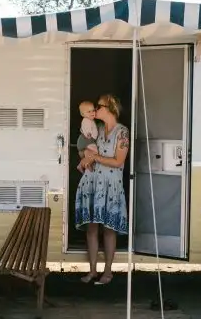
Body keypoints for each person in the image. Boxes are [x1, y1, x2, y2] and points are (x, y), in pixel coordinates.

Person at [75, 94, 130, 285]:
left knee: (108, 229)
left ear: (110, 109)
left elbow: (118, 161)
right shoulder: (96, 129)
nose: (95, 109)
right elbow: (83, 147)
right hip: (92, 183)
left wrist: (94, 158)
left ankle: (107, 272)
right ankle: (92, 271)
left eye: (99, 106)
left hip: (111, 185)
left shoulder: (122, 132)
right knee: (91, 228)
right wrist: (84, 155)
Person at [76, 101, 99, 173]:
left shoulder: (90, 120)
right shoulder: (86, 120)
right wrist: (88, 134)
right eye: (89, 111)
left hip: (88, 140)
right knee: (95, 152)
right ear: (83, 114)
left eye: (93, 110)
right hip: (86, 140)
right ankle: (87, 164)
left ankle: (81, 164)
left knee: (90, 153)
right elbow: (85, 128)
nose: (92, 113)